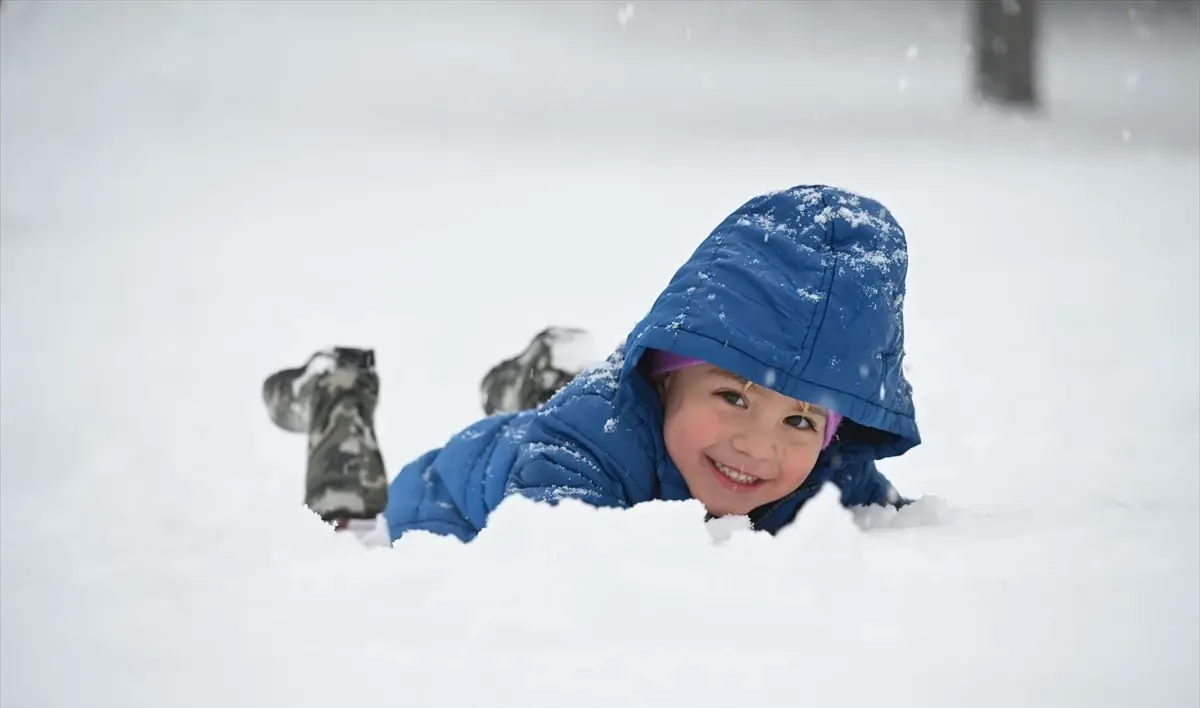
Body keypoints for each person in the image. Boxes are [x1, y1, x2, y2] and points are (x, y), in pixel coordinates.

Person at [262, 183, 921, 543]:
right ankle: (337, 397)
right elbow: (559, 569)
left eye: (801, 423)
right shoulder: (572, 458)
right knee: (348, 524)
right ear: (665, 374)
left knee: (564, 417)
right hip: (441, 505)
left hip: (567, 428)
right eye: (735, 398)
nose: (758, 445)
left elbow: (899, 527)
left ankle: (546, 374)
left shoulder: (827, 472)